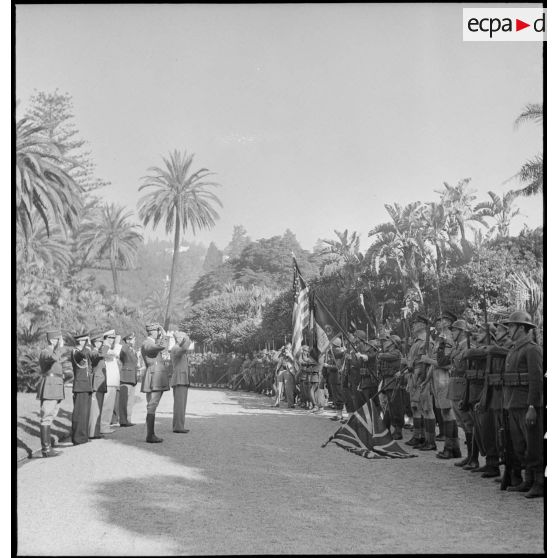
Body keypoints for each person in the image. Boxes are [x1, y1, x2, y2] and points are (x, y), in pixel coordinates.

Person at [501, 311, 544, 498]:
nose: (508, 329)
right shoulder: (514, 349)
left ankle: (540, 482)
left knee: (534, 445)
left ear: (521, 328)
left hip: (527, 405)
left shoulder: (532, 349)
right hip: (514, 404)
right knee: (520, 446)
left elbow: (536, 380)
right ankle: (527, 480)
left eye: (511, 326)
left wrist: (533, 406)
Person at [438, 319, 475, 467]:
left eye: (453, 330)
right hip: (455, 385)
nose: (451, 333)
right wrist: (441, 344)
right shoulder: (456, 347)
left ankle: (473, 458)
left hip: (464, 385)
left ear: (461, 331)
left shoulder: (468, 345)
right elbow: (442, 361)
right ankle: (470, 457)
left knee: (468, 422)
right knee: (463, 423)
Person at [430, 312, 462, 460]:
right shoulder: (439, 338)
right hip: (437, 378)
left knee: (448, 413)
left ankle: (451, 448)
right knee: (444, 413)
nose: (438, 322)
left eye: (441, 320)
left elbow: (446, 362)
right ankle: (452, 447)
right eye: (437, 320)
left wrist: (428, 361)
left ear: (449, 322)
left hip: (445, 378)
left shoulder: (448, 338)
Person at [405, 315, 435, 450]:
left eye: (416, 323)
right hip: (413, 377)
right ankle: (419, 436)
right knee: (416, 407)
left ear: (423, 325)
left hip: (423, 378)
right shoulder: (417, 342)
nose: (413, 326)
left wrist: (424, 380)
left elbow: (429, 363)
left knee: (427, 408)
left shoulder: (427, 342)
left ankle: (430, 441)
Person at [37, 329, 67, 457]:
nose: (61, 341)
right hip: (49, 387)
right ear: (53, 339)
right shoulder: (45, 352)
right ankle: (46, 449)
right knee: (46, 417)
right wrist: (59, 347)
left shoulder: (54, 352)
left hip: (55, 387)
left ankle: (48, 448)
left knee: (51, 415)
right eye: (59, 339)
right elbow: (53, 358)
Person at [141, 323, 170, 443]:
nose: (159, 333)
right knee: (152, 405)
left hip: (155, 375)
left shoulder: (151, 343)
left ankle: (151, 434)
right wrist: (164, 335)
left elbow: (162, 348)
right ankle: (150, 435)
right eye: (158, 331)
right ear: (154, 331)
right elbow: (161, 346)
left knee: (152, 405)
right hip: (154, 376)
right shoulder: (148, 343)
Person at [377, 334, 405, 440]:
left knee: (396, 407)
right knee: (389, 407)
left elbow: (383, 356)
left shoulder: (396, 353)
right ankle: (385, 428)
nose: (386, 342)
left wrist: (379, 354)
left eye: (389, 340)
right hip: (387, 381)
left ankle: (398, 430)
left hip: (394, 383)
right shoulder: (387, 353)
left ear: (393, 344)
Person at [70, 332, 93, 445]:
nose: (87, 342)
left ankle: (84, 436)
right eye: (85, 340)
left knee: (85, 413)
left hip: (86, 385)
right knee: (79, 413)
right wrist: (87, 346)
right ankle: (77, 438)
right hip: (80, 385)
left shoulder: (85, 350)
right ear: (80, 341)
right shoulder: (75, 352)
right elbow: (81, 357)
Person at [100, 330, 121, 434]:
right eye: (110, 338)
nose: (112, 340)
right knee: (106, 406)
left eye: (113, 338)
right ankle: (103, 426)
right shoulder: (104, 347)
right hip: (108, 381)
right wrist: (117, 343)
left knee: (109, 406)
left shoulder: (108, 348)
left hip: (112, 381)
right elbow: (116, 353)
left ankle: (105, 425)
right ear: (105, 338)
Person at [89, 331, 108, 438]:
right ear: (94, 343)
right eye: (97, 342)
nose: (99, 344)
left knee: (98, 409)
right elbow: (99, 354)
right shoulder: (94, 352)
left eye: (101, 342)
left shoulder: (100, 352)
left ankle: (96, 431)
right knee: (95, 410)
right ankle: (92, 432)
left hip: (101, 382)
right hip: (96, 383)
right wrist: (105, 346)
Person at [170, 331, 191, 433]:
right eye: (182, 338)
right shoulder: (176, 348)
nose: (184, 339)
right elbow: (184, 349)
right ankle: (178, 427)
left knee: (181, 405)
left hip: (181, 379)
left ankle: (179, 425)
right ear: (178, 339)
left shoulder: (178, 348)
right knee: (179, 405)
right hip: (179, 379)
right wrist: (188, 339)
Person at [119, 333, 138, 426]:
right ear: (128, 340)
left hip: (132, 378)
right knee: (124, 401)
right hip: (126, 377)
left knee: (130, 401)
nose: (134, 341)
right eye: (132, 339)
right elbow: (123, 351)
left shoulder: (132, 350)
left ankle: (128, 419)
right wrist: (128, 343)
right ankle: (123, 420)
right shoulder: (125, 348)